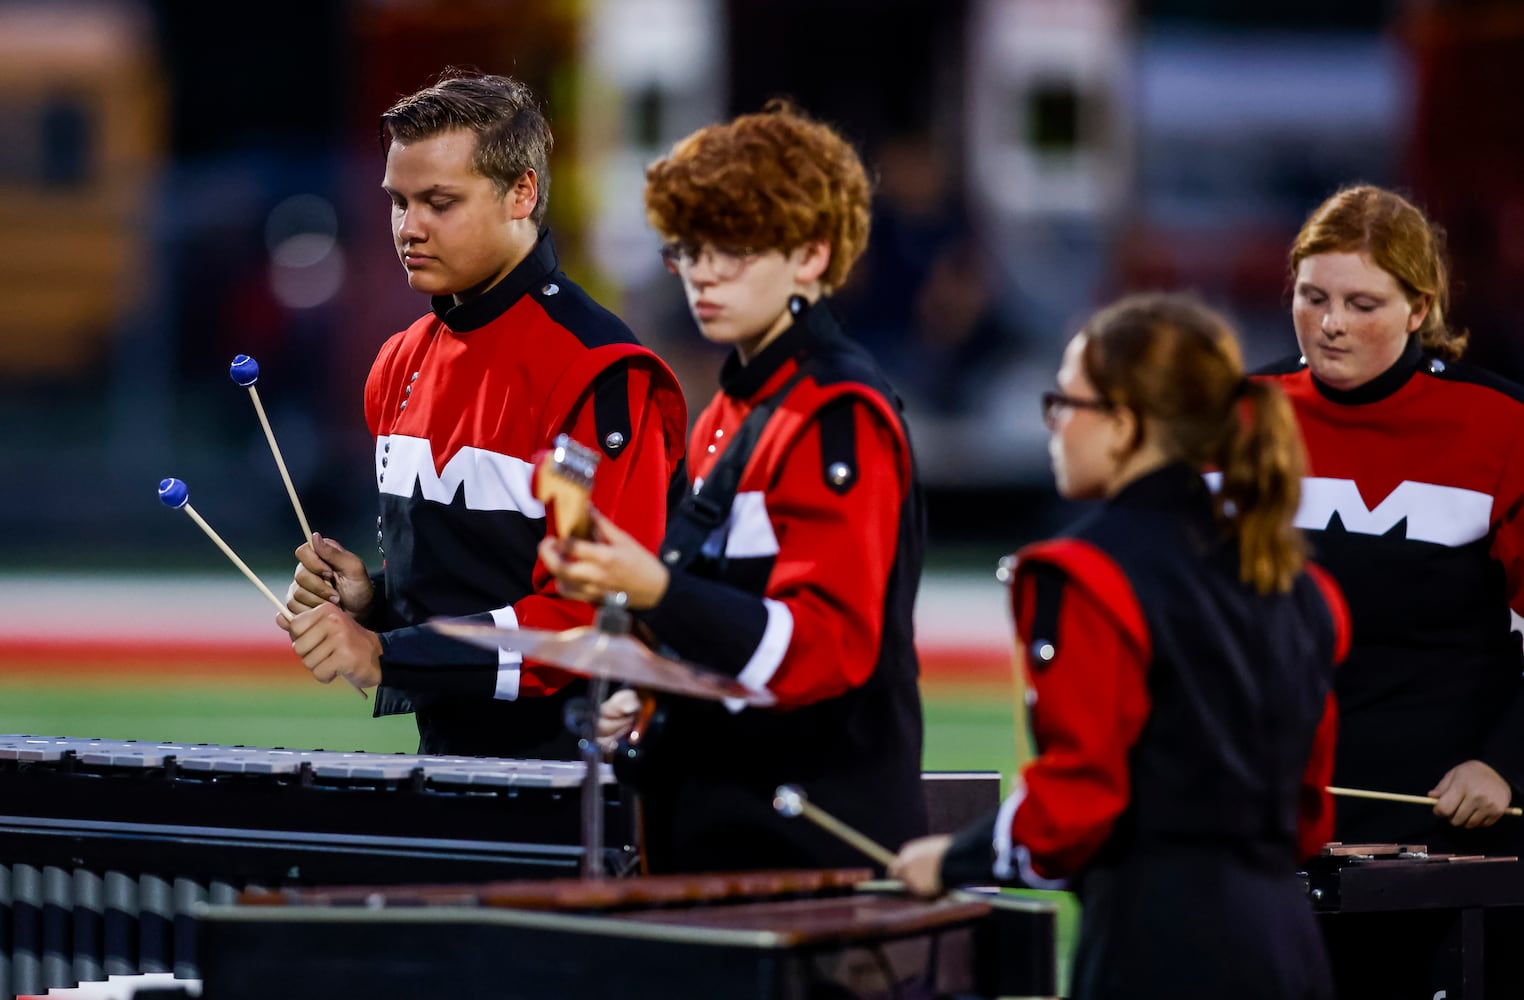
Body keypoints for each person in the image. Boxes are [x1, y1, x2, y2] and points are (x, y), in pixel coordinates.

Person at [891, 292, 1347, 1000]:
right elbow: (1309, 808)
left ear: (1124, 424)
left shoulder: (1088, 573)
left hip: (1157, 950)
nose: (1054, 426)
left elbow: (1076, 802)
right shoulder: (1300, 583)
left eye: (1066, 403)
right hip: (1291, 947)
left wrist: (955, 859)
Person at [537, 101, 929, 874]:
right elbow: (726, 628)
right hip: (722, 835)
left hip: (808, 850)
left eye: (735, 248)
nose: (703, 272)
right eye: (688, 247)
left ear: (812, 257)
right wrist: (644, 690)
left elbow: (823, 650)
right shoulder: (731, 410)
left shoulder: (834, 413)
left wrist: (656, 589)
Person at [278, 69, 688, 759]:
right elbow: (469, 584)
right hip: (448, 768)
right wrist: (373, 602)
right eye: (398, 201)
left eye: (441, 201)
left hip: (586, 789)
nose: (409, 228)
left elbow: (590, 621)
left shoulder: (599, 370)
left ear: (521, 192)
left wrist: (387, 653)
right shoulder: (398, 364)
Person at [1259, 183, 1524, 855]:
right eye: (1312, 297)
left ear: (1419, 309)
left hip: (1448, 818)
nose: (1330, 323)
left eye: (1362, 303)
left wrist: (1508, 764)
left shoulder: (1502, 427)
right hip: (1265, 816)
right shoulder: (1237, 417)